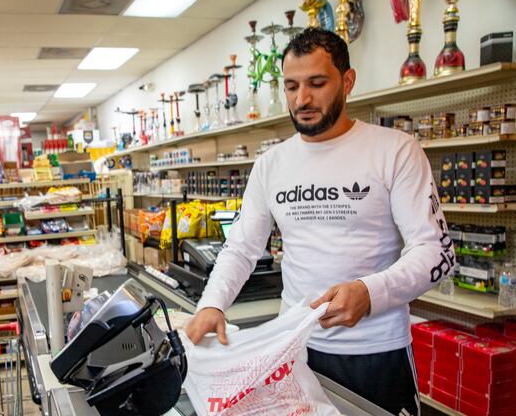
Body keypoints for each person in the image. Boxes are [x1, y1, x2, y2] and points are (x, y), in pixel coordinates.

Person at [185, 28, 454, 415]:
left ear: (347, 81)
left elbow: (436, 251)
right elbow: (241, 248)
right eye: (291, 86)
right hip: (294, 353)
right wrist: (212, 304)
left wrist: (370, 291)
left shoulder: (395, 150)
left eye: (316, 83)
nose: (302, 99)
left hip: (376, 353)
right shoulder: (270, 165)